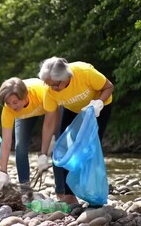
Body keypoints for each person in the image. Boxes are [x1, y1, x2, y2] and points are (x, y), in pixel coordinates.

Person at [37, 56, 113, 205]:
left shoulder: (84, 72)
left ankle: (93, 194)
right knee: (64, 147)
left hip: (98, 108)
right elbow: (49, 123)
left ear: (66, 78)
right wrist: (43, 153)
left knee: (90, 149)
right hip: (73, 110)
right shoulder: (50, 91)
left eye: (55, 85)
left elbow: (109, 86)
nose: (52, 89)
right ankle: (69, 195)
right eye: (49, 85)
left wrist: (98, 103)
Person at [0, 77, 55, 203]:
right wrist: (2, 172)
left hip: (47, 106)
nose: (11, 106)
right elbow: (6, 142)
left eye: (15, 102)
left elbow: (49, 124)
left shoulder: (43, 93)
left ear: (25, 96)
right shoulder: (9, 109)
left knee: (60, 143)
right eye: (8, 103)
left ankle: (63, 192)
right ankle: (25, 191)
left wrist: (43, 154)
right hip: (25, 115)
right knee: (20, 148)